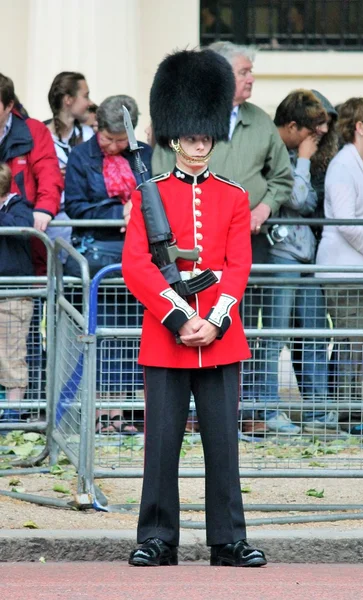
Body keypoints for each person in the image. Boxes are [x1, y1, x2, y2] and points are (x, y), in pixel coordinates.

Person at [123, 48, 267, 568]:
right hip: (167, 337)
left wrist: (215, 318)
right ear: (175, 138)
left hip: (220, 336)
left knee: (223, 448)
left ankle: (227, 540)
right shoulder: (149, 195)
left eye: (205, 136)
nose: (198, 144)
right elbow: (136, 265)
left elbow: (237, 264)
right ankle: (157, 538)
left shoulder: (232, 196)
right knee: (160, 447)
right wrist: (182, 317)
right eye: (190, 136)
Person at [151, 41, 293, 435]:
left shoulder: (259, 122)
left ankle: (261, 408)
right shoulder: (177, 141)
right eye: (244, 72)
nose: (250, 79)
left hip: (244, 246)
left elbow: (281, 177)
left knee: (265, 328)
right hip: (179, 271)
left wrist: (262, 209)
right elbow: (163, 187)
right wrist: (181, 316)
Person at [65, 94, 152, 435]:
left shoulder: (144, 154)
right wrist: (119, 212)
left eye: (121, 140)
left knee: (129, 337)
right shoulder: (79, 157)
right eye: (108, 139)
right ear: (96, 127)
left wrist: (139, 208)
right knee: (99, 336)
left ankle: (119, 414)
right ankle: (99, 414)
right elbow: (75, 206)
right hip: (98, 254)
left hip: (136, 254)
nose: (115, 147)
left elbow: (158, 193)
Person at [253, 89, 338, 434]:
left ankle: (318, 412)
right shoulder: (272, 151)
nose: (315, 139)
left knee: (317, 333)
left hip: (306, 254)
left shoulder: (295, 153)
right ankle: (268, 410)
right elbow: (300, 196)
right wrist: (303, 160)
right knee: (274, 337)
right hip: (279, 253)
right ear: (291, 125)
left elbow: (309, 198)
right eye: (311, 131)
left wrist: (302, 174)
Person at [316, 97, 363, 433]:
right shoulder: (343, 165)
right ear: (360, 127)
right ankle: (353, 416)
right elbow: (346, 221)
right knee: (353, 343)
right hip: (347, 270)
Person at [0, 73, 63, 274]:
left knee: (25, 296)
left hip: (24, 231)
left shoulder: (34, 131)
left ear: (9, 106)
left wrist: (44, 209)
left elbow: (49, 174)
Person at [0, 163, 34, 424]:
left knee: (12, 354)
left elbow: (23, 229)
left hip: (12, 294)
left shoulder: (18, 207)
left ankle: (12, 413)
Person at [45, 71, 93, 256]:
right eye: (85, 96)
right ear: (68, 100)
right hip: (52, 222)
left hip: (83, 221)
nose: (89, 103)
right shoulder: (40, 136)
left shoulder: (90, 136)